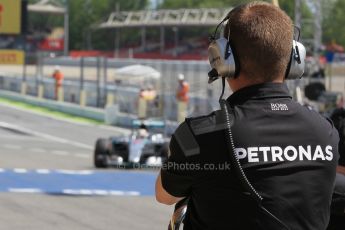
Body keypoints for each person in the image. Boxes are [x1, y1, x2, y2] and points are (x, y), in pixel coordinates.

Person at [155, 2, 339, 230]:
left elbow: (164, 196)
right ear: (293, 59)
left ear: (222, 60)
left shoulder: (197, 135)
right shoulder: (326, 132)